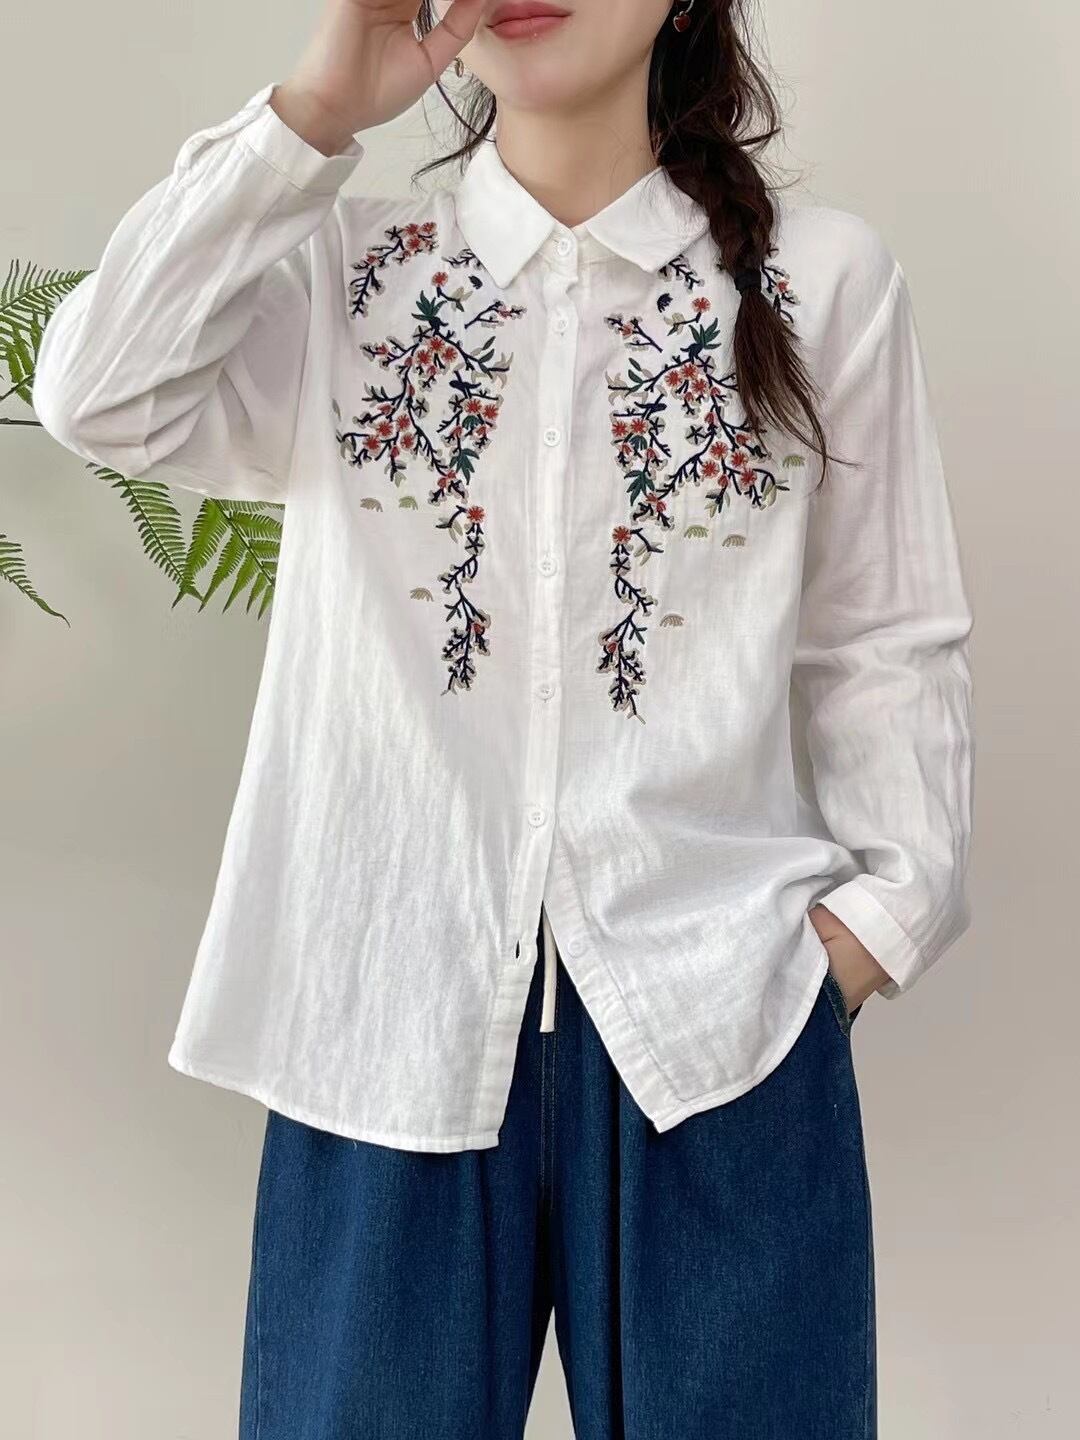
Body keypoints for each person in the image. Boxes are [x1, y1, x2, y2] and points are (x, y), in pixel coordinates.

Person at [32, 1, 975, 1434]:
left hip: (717, 1037)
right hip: (380, 1028)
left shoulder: (817, 282)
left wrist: (871, 933)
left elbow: (883, 639)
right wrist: (316, 112)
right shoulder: (346, 275)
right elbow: (98, 394)